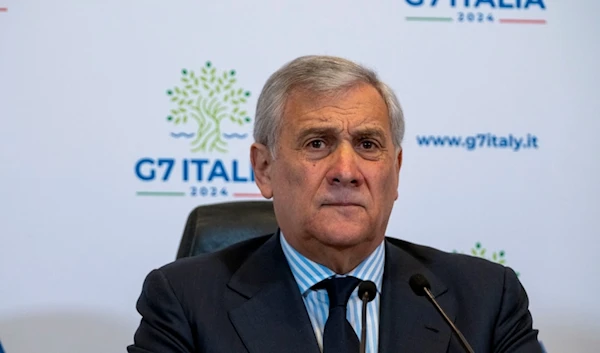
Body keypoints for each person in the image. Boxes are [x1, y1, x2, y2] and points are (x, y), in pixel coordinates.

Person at [127, 55, 542, 353]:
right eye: (317, 143)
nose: (346, 170)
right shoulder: (184, 301)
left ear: (395, 170)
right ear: (265, 168)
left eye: (367, 144)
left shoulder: (486, 299)